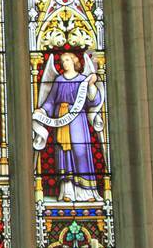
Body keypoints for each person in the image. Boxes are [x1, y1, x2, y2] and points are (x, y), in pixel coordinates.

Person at [32, 50, 104, 202]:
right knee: (64, 154)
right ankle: (67, 191)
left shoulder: (83, 79)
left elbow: (94, 101)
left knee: (81, 152)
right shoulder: (58, 80)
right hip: (61, 119)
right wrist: (43, 110)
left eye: (67, 60)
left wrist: (91, 85)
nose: (64, 63)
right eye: (62, 61)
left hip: (78, 120)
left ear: (74, 62)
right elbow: (51, 101)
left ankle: (87, 192)